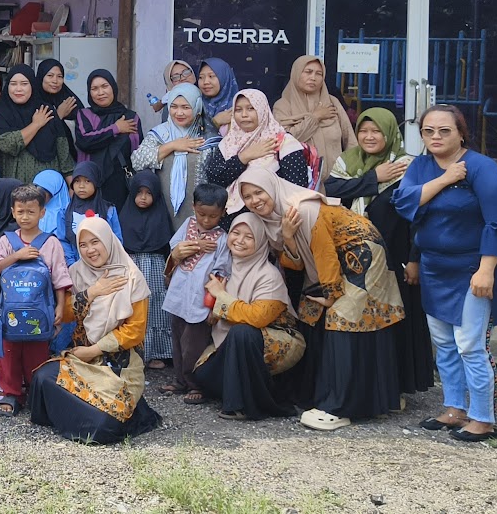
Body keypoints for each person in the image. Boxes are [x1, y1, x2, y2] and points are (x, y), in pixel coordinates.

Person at [240, 170, 403, 431]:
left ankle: (340, 407)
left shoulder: (301, 208)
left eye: (259, 192)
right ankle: (324, 394)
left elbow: (324, 251)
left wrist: (331, 294)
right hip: (329, 264)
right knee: (309, 313)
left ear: (272, 188)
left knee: (344, 319)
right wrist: (288, 236)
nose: (254, 200)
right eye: (247, 196)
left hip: (362, 253)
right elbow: (296, 263)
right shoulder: (277, 218)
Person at [394, 104, 497, 442]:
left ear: (461, 133)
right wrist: (446, 179)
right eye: (428, 131)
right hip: (434, 268)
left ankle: (483, 418)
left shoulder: (482, 168)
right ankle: (454, 408)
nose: (435, 137)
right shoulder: (421, 166)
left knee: (470, 345)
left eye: (444, 130)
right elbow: (405, 204)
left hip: (472, 269)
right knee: (444, 344)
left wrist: (486, 270)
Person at [27, 215, 162, 444]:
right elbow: (65, 313)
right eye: (83, 244)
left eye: (95, 242)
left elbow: (135, 331)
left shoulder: (132, 277)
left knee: (104, 426)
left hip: (119, 363)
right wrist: (92, 292)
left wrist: (94, 351)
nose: (90, 250)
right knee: (41, 378)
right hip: (83, 357)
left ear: (108, 240)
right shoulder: (77, 272)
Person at [327, 108, 433, 397]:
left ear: (390, 133)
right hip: (355, 258)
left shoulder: (407, 167)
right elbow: (332, 190)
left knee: (396, 322)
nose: (369, 136)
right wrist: (373, 178)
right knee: (364, 322)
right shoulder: (348, 161)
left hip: (394, 258)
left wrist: (414, 259)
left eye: (376, 131)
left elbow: (418, 218)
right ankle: (369, 387)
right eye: (363, 131)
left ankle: (396, 388)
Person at [193, 212, 307, 421]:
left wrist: (221, 296)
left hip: (274, 339)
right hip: (231, 341)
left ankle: (241, 405)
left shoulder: (268, 275)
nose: (240, 240)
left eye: (249, 236)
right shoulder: (223, 268)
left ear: (261, 241)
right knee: (202, 374)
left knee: (242, 333)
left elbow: (257, 318)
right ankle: (239, 390)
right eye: (236, 233)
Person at [0, 184, 74, 416]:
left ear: (42, 213)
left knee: (37, 353)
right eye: (20, 212)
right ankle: (11, 392)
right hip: (10, 310)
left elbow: (59, 277)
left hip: (41, 309)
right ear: (13, 212)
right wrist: (17, 255)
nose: (25, 217)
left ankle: (36, 392)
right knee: (8, 352)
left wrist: (60, 306)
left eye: (31, 212)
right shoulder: (7, 241)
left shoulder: (51, 242)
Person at [160, 183, 230, 402]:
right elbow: (175, 248)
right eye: (202, 214)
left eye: (213, 216)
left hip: (200, 301)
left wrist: (214, 306)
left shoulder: (222, 238)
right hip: (179, 295)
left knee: (194, 346)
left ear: (223, 212)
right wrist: (196, 245)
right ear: (193, 207)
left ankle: (196, 385)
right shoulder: (188, 224)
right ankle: (180, 380)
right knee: (178, 340)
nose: (206, 220)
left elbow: (222, 272)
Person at [202, 89, 313, 199]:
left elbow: (296, 187)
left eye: (251, 108)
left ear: (262, 110)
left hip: (275, 207)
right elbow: (214, 180)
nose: (244, 115)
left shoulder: (282, 142)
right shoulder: (228, 143)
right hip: (231, 208)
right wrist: (243, 157)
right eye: (238, 110)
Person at [113, 171, 174, 368]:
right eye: (139, 192)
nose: (143, 197)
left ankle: (154, 353)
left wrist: (169, 272)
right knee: (131, 307)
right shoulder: (125, 215)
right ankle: (132, 353)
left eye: (148, 193)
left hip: (155, 266)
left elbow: (167, 246)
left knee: (155, 308)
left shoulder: (160, 215)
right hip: (131, 265)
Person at [134, 85, 214, 230]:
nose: (179, 112)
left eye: (186, 107)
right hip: (162, 210)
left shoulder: (208, 137)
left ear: (197, 107)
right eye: (174, 106)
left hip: (200, 213)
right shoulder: (160, 134)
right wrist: (172, 145)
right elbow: (137, 161)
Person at [274, 55, 357, 177]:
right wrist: (315, 117)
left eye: (319, 74)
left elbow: (350, 140)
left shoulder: (332, 102)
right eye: (308, 72)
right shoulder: (283, 106)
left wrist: (352, 170)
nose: (313, 78)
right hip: (298, 181)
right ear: (296, 73)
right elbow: (285, 141)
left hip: (335, 180)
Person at [0, 65, 74, 184]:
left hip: (48, 186)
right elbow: (6, 144)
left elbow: (63, 150)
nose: (18, 89)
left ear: (32, 85)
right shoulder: (0, 112)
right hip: (15, 186)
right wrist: (36, 124)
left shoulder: (46, 109)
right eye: (13, 84)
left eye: (24, 84)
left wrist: (72, 186)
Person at [73, 69, 140, 208]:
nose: (100, 92)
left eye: (105, 86)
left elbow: (138, 151)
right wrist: (115, 129)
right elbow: (85, 141)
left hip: (122, 184)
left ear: (113, 88)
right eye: (94, 88)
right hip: (91, 182)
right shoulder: (84, 114)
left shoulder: (131, 117)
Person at [197, 57, 240, 130]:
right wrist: (215, 122)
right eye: (201, 77)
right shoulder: (195, 107)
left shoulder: (239, 108)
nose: (205, 82)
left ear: (224, 77)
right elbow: (193, 135)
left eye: (211, 76)